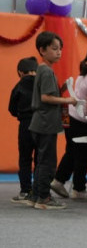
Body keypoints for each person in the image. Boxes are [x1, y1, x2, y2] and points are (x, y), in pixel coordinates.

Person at [28, 31, 79, 210]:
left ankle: (36, 194)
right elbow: (46, 98)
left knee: (41, 160)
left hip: (40, 122)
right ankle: (44, 197)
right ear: (42, 50)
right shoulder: (47, 71)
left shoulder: (42, 69)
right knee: (47, 162)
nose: (59, 52)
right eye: (54, 49)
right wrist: (68, 100)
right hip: (46, 122)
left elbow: (48, 94)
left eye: (60, 49)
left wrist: (63, 89)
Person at [52, 45, 87, 200]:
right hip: (82, 122)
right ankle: (78, 188)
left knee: (72, 152)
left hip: (71, 118)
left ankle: (59, 180)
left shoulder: (82, 76)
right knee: (82, 156)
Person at [8, 57, 38, 203]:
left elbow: (11, 109)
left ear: (20, 72)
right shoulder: (40, 84)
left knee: (25, 158)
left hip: (25, 124)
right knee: (41, 158)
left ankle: (25, 190)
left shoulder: (18, 86)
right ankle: (40, 190)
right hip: (40, 124)